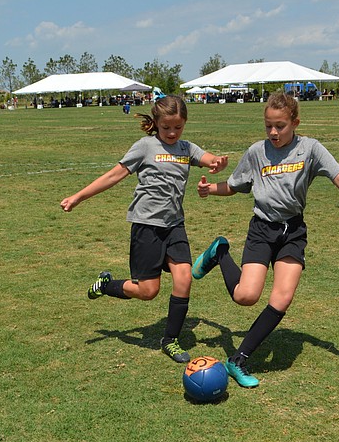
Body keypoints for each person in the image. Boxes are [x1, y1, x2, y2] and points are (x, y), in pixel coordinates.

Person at [191, 92, 339, 387]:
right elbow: (236, 186)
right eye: (269, 126)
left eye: (281, 126)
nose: (273, 132)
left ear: (295, 122)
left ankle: (238, 360)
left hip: (292, 232)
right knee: (246, 297)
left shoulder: (311, 149)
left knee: (282, 298)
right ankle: (221, 252)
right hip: (262, 230)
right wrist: (210, 191)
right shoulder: (257, 152)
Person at [60, 96, 229, 363]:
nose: (172, 133)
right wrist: (79, 197)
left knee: (183, 278)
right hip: (147, 227)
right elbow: (113, 175)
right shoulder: (145, 146)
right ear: (156, 123)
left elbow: (210, 159)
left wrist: (218, 162)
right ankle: (107, 285)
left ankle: (170, 340)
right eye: (166, 128)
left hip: (174, 226)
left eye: (178, 127)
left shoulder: (186, 148)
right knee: (148, 292)